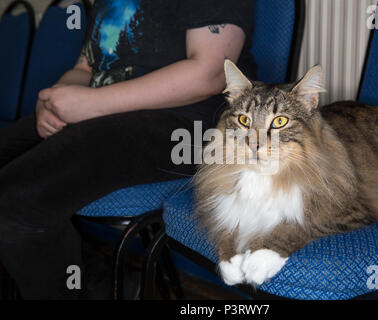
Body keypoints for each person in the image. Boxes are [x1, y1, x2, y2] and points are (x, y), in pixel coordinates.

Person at [0, 0, 256, 299]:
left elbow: (209, 74)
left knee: (15, 204)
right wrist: (54, 101)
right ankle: (100, 282)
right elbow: (85, 68)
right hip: (103, 114)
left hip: (186, 128)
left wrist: (91, 104)